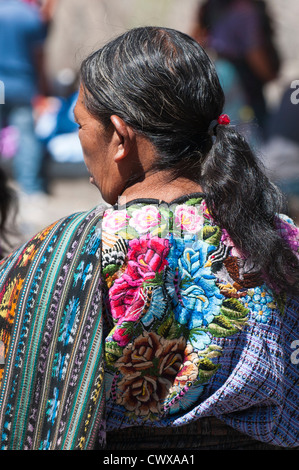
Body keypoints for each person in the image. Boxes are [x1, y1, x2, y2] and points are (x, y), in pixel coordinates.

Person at [0, 27, 298, 451]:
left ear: (120, 137)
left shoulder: (71, 249)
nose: (82, 141)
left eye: (82, 125)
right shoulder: (282, 239)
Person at [192, 0, 280, 136]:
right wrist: (270, 75)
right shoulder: (245, 10)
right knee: (251, 128)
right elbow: (254, 52)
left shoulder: (212, 5)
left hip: (221, 73)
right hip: (242, 79)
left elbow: (195, 40)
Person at [0, 0, 48, 198]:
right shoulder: (29, 15)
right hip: (21, 84)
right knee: (26, 136)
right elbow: (38, 54)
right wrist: (43, 88)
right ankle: (30, 188)